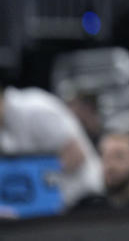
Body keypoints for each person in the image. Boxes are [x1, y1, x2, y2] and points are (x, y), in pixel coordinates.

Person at [0, 80, 103, 209]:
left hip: (84, 197)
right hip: (50, 205)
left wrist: (40, 179)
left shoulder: (34, 109)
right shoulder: (4, 125)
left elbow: (76, 155)